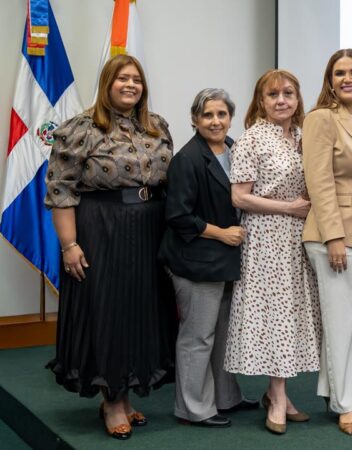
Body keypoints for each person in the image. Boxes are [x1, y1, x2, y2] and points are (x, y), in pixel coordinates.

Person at [45, 54, 176, 440]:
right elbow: (60, 190)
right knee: (108, 312)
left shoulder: (157, 126)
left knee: (142, 311)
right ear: (107, 83)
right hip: (102, 228)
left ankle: (128, 392)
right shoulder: (80, 129)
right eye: (123, 78)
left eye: (137, 79)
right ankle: (112, 400)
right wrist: (70, 245)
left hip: (150, 227)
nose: (131, 84)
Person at [224, 70, 322, 435]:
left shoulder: (302, 136)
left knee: (293, 312)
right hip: (267, 236)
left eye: (288, 93)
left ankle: (276, 393)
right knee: (275, 315)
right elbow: (239, 197)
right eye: (273, 94)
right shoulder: (252, 138)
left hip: (299, 236)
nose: (281, 100)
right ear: (260, 101)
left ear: (298, 98)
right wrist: (289, 209)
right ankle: (279, 399)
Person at [159, 89, 258, 429]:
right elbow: (178, 216)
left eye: (221, 114)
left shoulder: (235, 148)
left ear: (231, 117)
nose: (215, 121)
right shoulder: (187, 159)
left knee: (222, 334)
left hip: (225, 260)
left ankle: (226, 398)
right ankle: (194, 409)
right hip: (195, 260)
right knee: (197, 336)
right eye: (207, 115)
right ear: (194, 120)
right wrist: (221, 233)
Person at [302, 49, 352, 436]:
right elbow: (319, 181)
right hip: (336, 235)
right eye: (339, 73)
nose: (347, 78)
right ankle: (347, 403)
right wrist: (334, 236)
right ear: (330, 81)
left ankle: (339, 394)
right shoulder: (320, 119)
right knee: (340, 323)